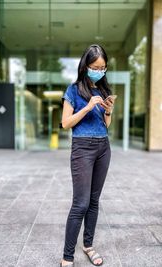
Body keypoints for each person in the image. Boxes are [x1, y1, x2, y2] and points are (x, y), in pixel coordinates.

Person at [60, 44, 116, 267]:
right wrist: (86, 107)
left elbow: (106, 125)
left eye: (103, 68)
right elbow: (65, 123)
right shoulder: (73, 90)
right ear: (85, 66)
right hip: (82, 148)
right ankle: (67, 256)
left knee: (94, 201)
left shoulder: (103, 90)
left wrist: (108, 109)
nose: (99, 71)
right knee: (80, 203)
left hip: (103, 147)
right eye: (95, 67)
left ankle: (89, 246)